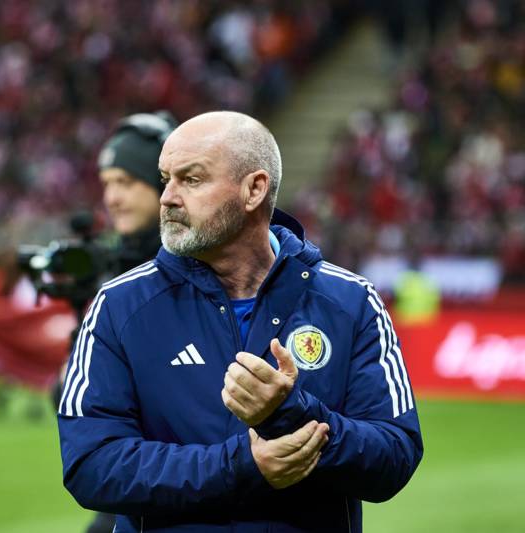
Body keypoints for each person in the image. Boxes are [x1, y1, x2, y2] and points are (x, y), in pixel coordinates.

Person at [58, 111, 423, 532]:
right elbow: (90, 465)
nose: (167, 197)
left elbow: (396, 455)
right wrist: (239, 467)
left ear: (254, 189)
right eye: (165, 179)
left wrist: (291, 412)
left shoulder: (351, 301)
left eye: (191, 179)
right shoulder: (119, 306)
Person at [57, 111, 177, 533]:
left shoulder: (196, 266)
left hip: (188, 482)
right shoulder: (113, 268)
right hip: (131, 484)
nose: (111, 197)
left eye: (126, 182)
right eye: (106, 183)